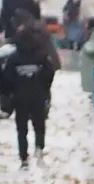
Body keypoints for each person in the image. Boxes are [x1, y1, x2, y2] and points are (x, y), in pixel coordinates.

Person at [1, 14, 54, 169]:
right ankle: (39, 147)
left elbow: (6, 78)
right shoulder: (42, 57)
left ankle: (24, 158)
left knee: (21, 129)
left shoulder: (13, 58)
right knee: (39, 125)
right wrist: (44, 88)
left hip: (20, 98)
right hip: (38, 96)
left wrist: (9, 94)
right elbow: (49, 74)